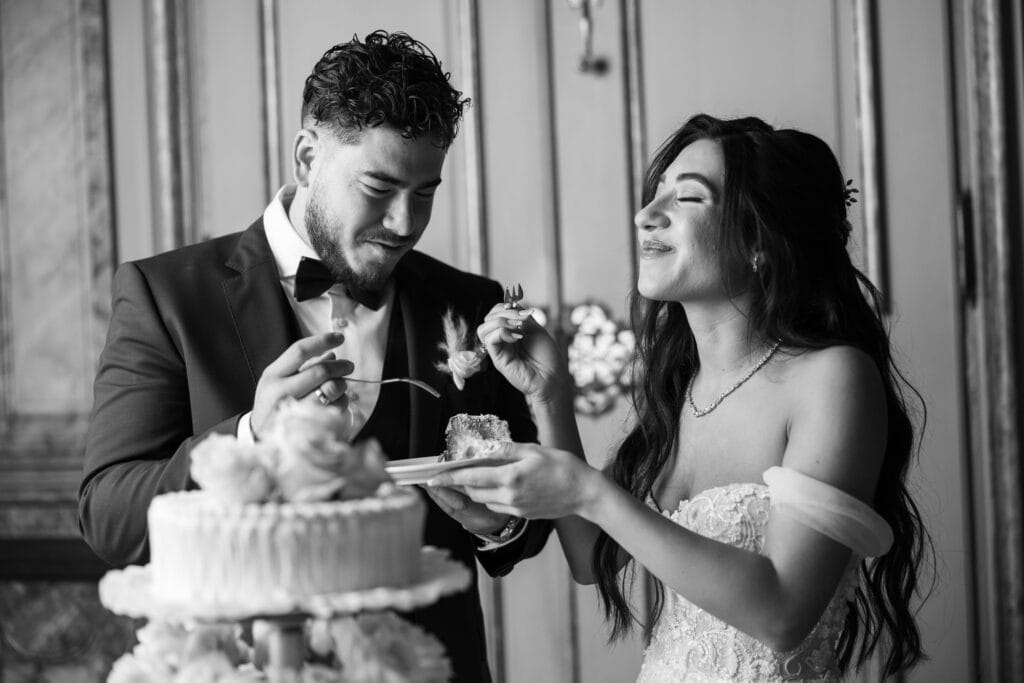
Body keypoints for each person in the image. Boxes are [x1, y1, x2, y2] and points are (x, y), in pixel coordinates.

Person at [79, 30, 550, 682]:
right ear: (307, 158)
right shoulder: (166, 297)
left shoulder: (469, 303)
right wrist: (248, 438)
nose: (405, 222)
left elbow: (527, 522)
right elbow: (108, 514)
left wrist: (498, 522)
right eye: (379, 187)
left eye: (425, 191)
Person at [430, 114, 931, 680]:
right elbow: (590, 559)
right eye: (655, 194)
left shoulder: (834, 378)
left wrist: (589, 490)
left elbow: (784, 612)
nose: (646, 215)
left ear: (759, 240)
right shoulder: (682, 391)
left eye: (687, 197)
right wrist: (549, 396)